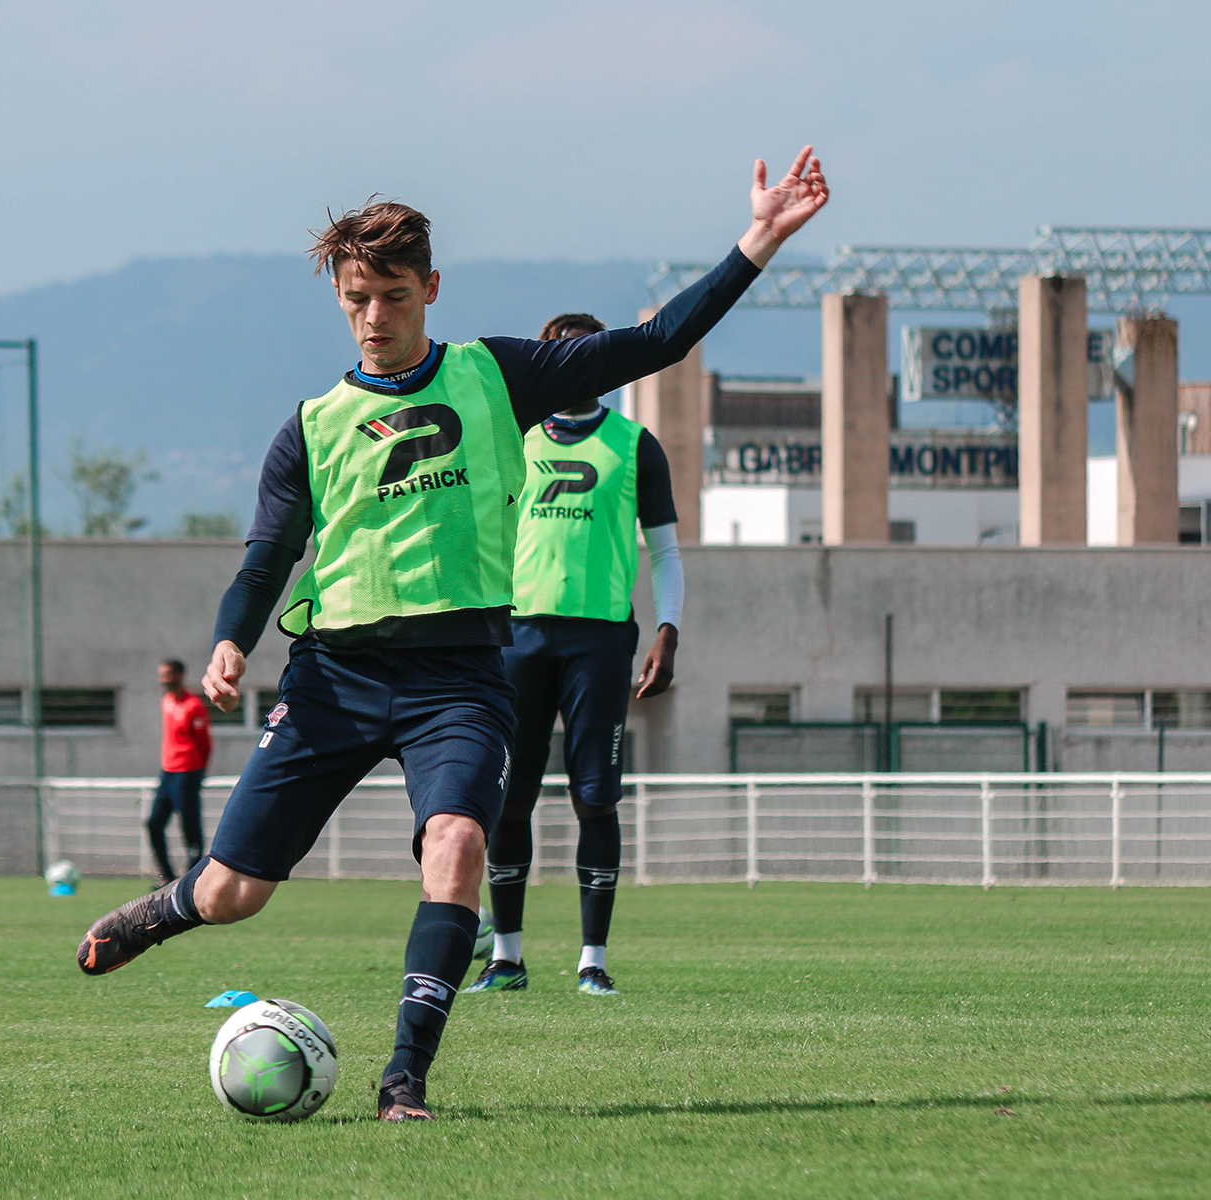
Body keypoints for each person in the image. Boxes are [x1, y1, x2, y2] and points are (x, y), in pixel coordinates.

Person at [76, 149, 828, 1122]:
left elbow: (654, 342)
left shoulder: (496, 376)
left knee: (460, 841)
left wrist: (756, 241)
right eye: (356, 299)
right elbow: (265, 561)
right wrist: (230, 641)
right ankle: (159, 910)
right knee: (233, 896)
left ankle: (404, 1082)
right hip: (332, 678)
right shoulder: (309, 428)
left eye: (392, 294)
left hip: (458, 680)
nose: (375, 317)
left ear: (430, 288)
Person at [463, 313, 682, 1000]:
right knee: (508, 800)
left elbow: (666, 550)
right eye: (558, 356)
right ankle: (507, 958)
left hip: (599, 640)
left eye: (585, 355)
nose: (569, 367)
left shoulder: (635, 445)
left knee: (595, 800)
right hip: (518, 637)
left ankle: (592, 961)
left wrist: (668, 628)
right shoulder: (513, 439)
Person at [147, 658, 210, 882]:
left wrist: (199, 772)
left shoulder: (193, 705)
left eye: (167, 675)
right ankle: (166, 876)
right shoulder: (166, 701)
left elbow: (204, 742)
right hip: (168, 772)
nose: (163, 680)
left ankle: (191, 880)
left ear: (179, 675)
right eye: (161, 675)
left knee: (189, 828)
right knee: (153, 824)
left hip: (188, 771)